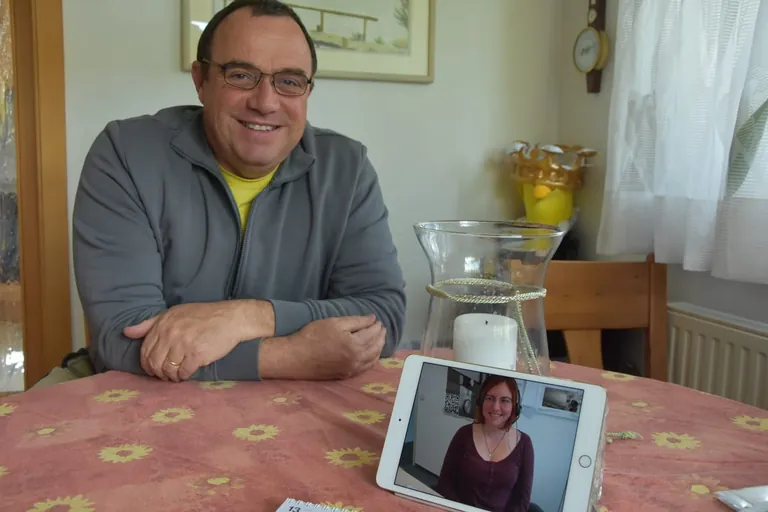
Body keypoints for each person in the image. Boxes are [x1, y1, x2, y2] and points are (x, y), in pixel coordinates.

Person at [34, 0, 406, 388]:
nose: (265, 102)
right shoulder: (125, 152)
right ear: (201, 80)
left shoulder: (347, 167)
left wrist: (249, 317)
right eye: (241, 75)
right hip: (139, 390)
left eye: (290, 81)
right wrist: (290, 355)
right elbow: (121, 337)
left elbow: (382, 314)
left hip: (291, 403)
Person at [436, 376, 534, 512]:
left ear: (515, 407)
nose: (495, 407)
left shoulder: (524, 443)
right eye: (490, 398)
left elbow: (521, 501)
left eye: (505, 400)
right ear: (481, 401)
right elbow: (444, 484)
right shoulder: (464, 434)